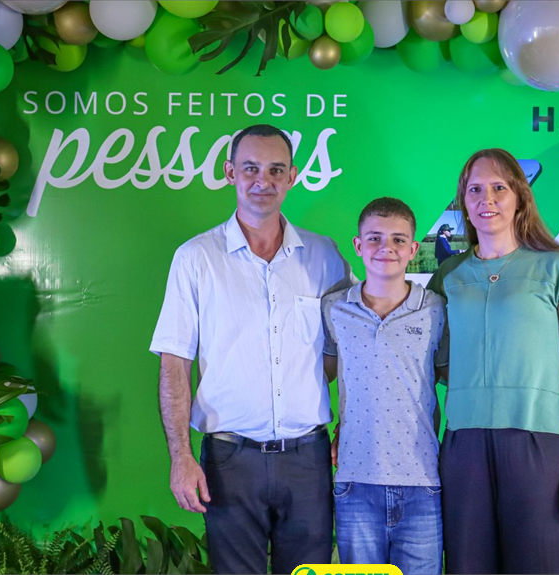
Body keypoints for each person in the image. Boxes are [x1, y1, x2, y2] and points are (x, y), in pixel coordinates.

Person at [150, 124, 353, 574]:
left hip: (308, 459)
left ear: (292, 177)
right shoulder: (196, 258)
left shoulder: (325, 256)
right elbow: (174, 362)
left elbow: (357, 345)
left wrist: (348, 422)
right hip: (230, 462)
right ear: (230, 173)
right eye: (251, 168)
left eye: (276, 170)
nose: (264, 180)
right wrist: (181, 457)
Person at [428, 149, 559, 574]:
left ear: (520, 197)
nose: (486, 199)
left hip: (541, 445)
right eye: (475, 190)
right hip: (463, 447)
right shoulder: (448, 276)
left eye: (499, 188)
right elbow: (429, 367)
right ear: (463, 202)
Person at [322, 197, 448, 574]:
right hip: (354, 482)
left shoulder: (436, 309)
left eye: (398, 240)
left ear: (413, 249)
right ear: (358, 245)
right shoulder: (334, 309)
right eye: (374, 238)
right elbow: (321, 376)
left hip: (422, 481)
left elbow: (452, 378)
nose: (386, 248)